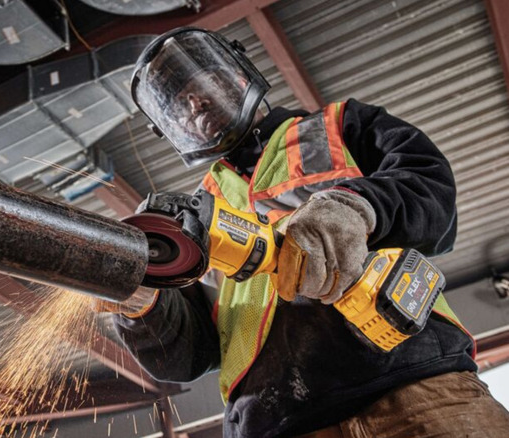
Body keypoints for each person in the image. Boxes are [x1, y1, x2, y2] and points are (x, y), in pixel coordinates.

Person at [99, 27, 509, 437]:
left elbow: (432, 189)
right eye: (177, 103)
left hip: (415, 386)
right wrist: (141, 303)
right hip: (273, 420)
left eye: (199, 82)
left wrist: (355, 206)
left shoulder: (339, 126)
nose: (193, 102)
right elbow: (188, 356)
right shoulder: (193, 218)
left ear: (239, 74)